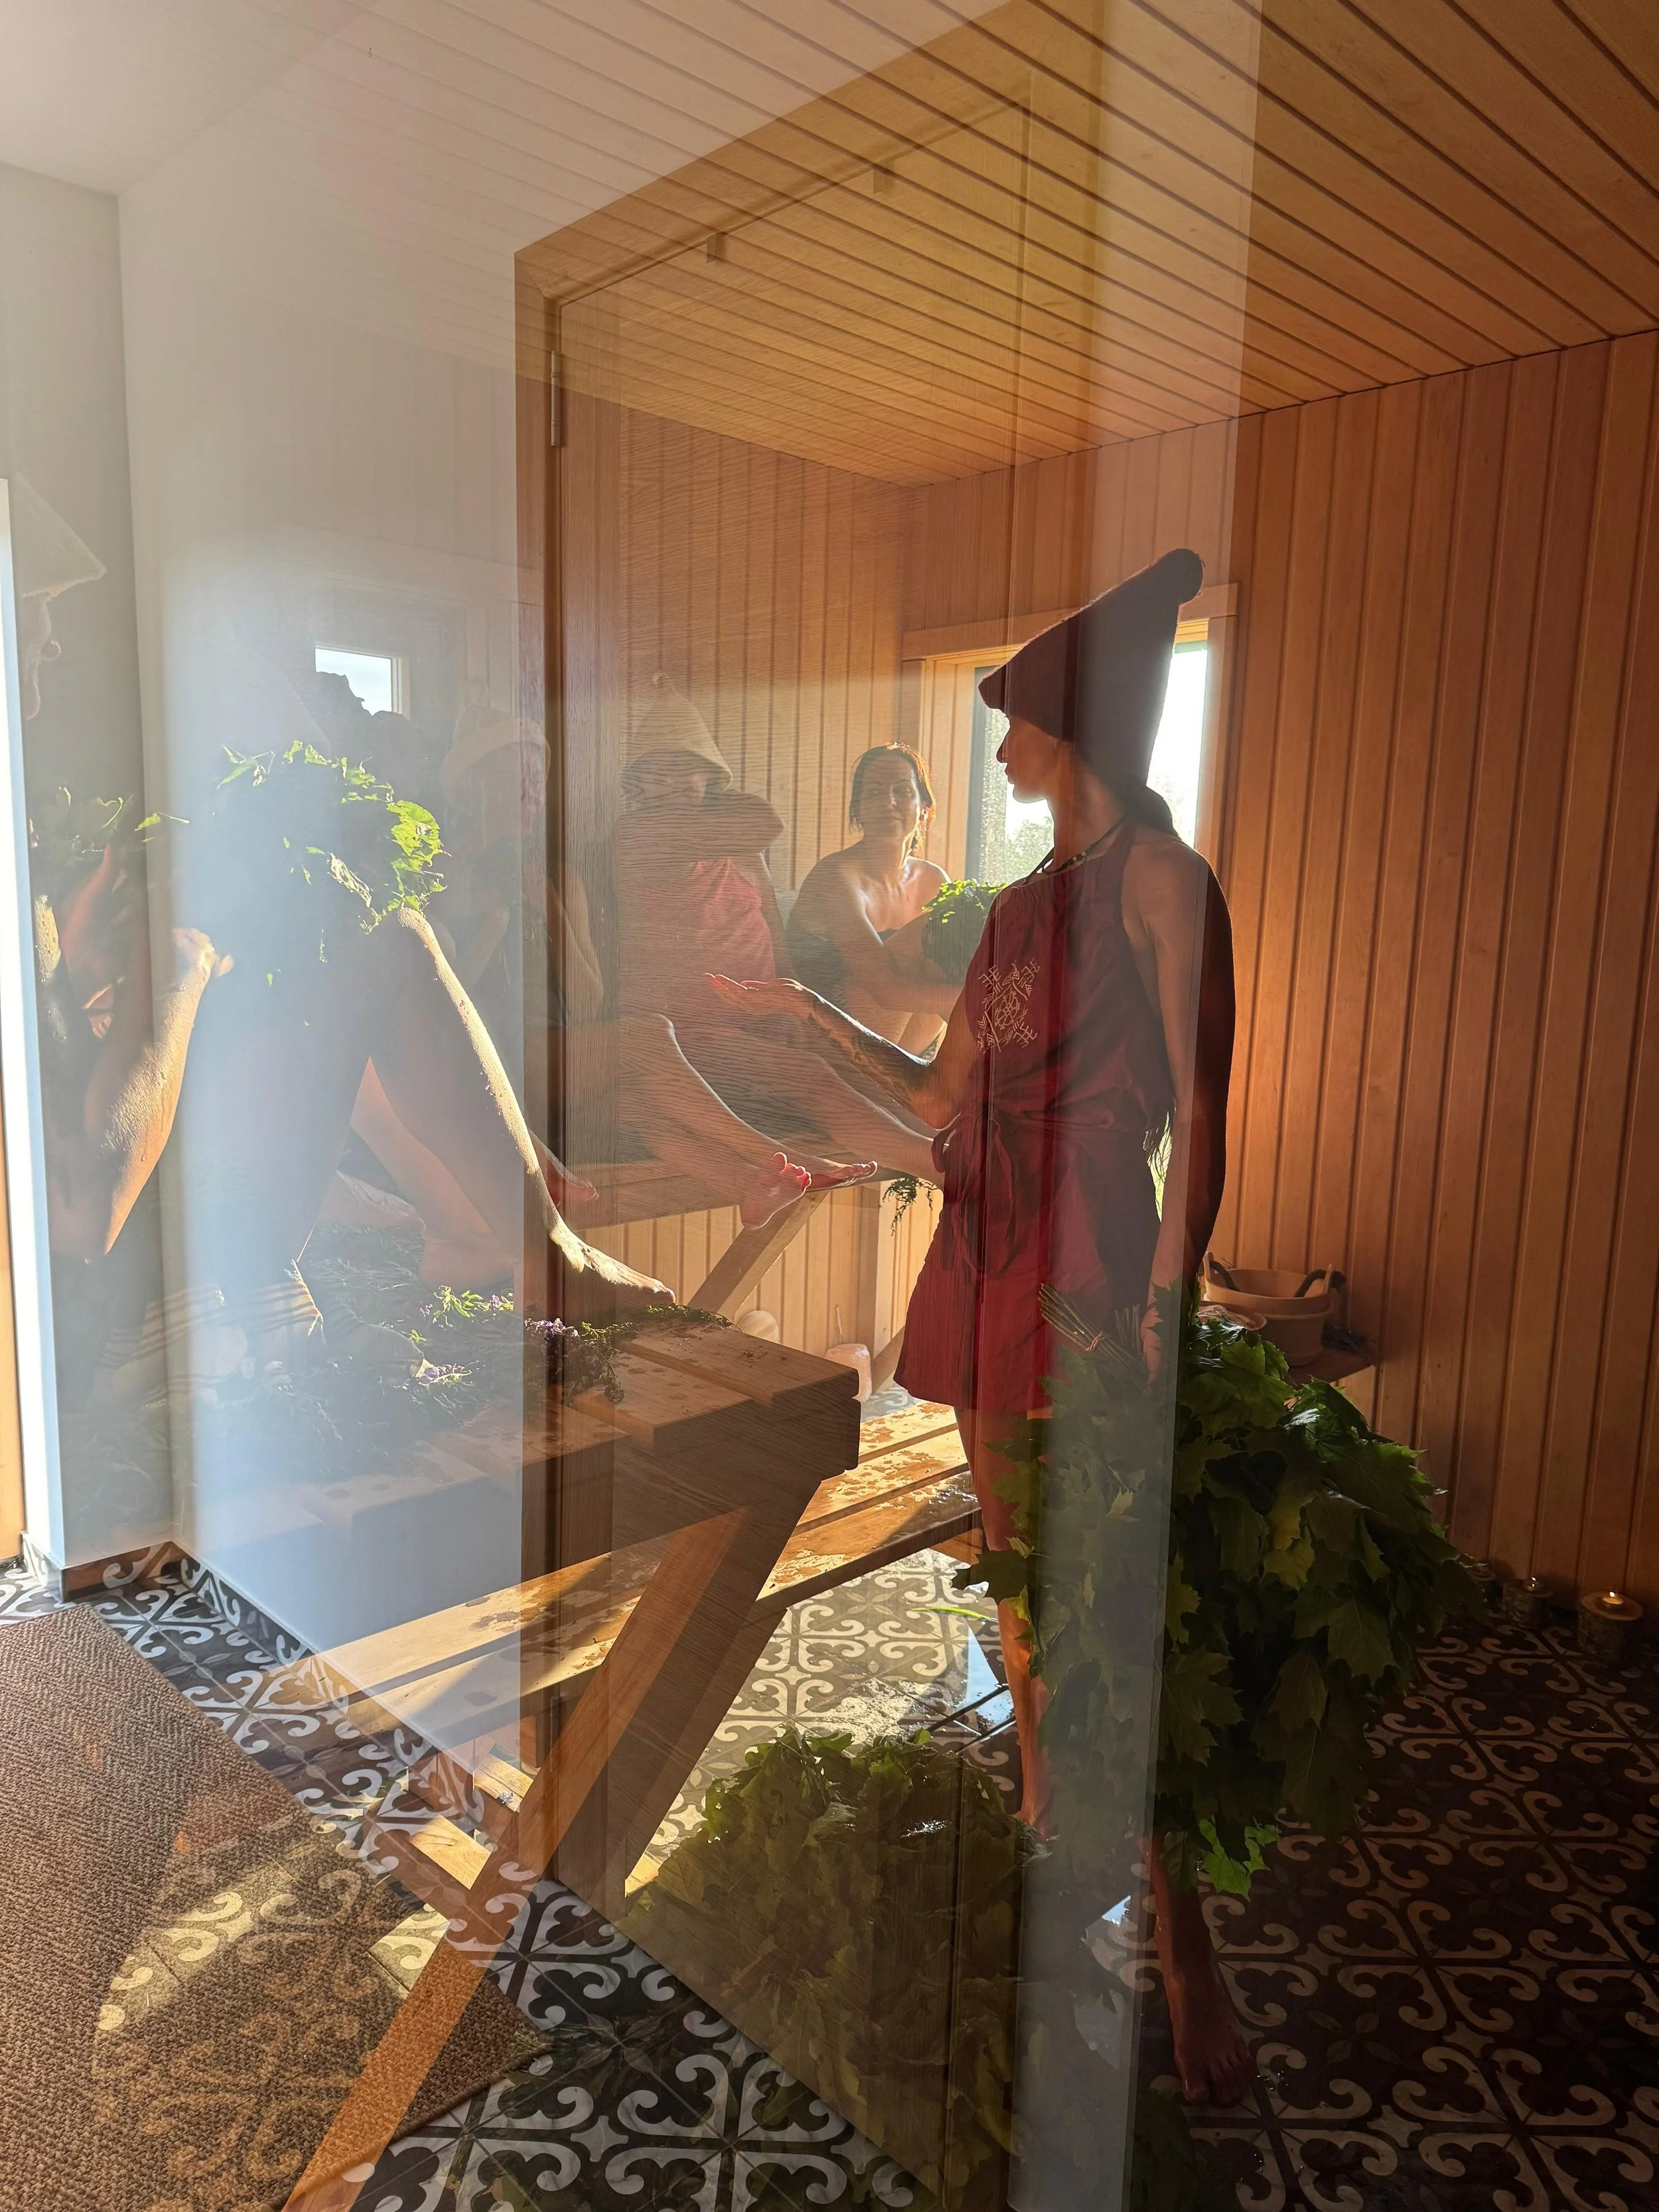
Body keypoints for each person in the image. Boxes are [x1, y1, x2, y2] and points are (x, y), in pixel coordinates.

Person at [707, 548, 1252, 2109]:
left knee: (1106, 1601)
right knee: (1025, 1588)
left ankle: (1184, 1941)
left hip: (1092, 1265)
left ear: (1074, 724)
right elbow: (943, 1100)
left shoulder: (1163, 879)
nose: (999, 742)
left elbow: (1203, 1105)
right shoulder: (1016, 915)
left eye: (1016, 714)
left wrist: (1163, 1298)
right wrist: (798, 1015)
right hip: (990, 1258)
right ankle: (1041, 1846)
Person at [612, 676, 938, 1177]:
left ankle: (953, 1149)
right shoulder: (638, 836)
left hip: (758, 1019)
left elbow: (771, 935)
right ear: (638, 782)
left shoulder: (741, 851)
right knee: (809, 1075)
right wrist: (715, 798)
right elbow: (764, 819)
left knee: (861, 1070)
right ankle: (939, 1168)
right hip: (689, 1028)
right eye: (660, 772)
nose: (677, 784)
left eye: (690, 771)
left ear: (710, 778)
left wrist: (793, 1011)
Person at [785, 745, 959, 1049]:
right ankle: (894, 1085)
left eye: (903, 791)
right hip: (821, 1031)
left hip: (904, 1041)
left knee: (948, 948)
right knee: (929, 935)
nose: (888, 803)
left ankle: (908, 1082)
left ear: (924, 807)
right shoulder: (836, 876)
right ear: (859, 810)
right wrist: (976, 998)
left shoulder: (934, 880)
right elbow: (885, 990)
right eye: (874, 793)